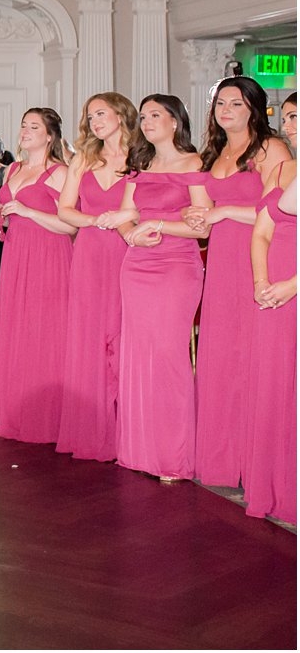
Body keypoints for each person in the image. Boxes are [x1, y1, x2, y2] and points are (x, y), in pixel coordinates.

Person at [181, 76, 287, 489]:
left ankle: (254, 458)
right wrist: (199, 216)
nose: (226, 110)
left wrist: (222, 213)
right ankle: (223, 456)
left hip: (257, 254)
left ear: (254, 108)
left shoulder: (270, 149)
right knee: (221, 352)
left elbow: (276, 212)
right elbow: (207, 213)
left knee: (251, 355)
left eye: (236, 104)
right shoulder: (215, 151)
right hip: (222, 258)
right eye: (221, 104)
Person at [105, 94, 206, 481]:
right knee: (138, 356)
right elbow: (126, 218)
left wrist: (159, 227)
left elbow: (205, 227)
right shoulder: (140, 165)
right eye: (143, 115)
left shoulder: (195, 163)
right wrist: (132, 236)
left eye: (154, 115)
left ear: (176, 121)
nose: (146, 121)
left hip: (178, 266)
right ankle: (140, 450)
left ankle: (173, 457)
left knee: (168, 356)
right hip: (138, 267)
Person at [53, 92, 137, 463]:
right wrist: (94, 220)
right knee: (88, 337)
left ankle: (128, 430)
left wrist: (117, 222)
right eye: (90, 115)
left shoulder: (141, 157)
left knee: (123, 336)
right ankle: (91, 428)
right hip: (88, 253)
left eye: (101, 113)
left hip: (126, 253)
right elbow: (65, 210)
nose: (94, 121)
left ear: (121, 114)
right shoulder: (84, 158)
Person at [0, 107, 75, 444]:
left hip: (49, 258)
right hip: (15, 257)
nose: (24, 131)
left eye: (33, 126)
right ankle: (15, 413)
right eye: (23, 125)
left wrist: (25, 210)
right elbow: (12, 218)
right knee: (17, 330)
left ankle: (47, 418)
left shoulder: (60, 172)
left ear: (49, 135)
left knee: (46, 332)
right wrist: (2, 216)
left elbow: (69, 226)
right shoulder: (13, 169)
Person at [245, 91, 296, 523]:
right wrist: (262, 281)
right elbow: (261, 230)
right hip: (271, 289)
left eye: (299, 117)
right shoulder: (281, 167)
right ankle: (275, 488)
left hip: (294, 287)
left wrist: (291, 286)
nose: (292, 125)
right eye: (288, 116)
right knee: (273, 384)